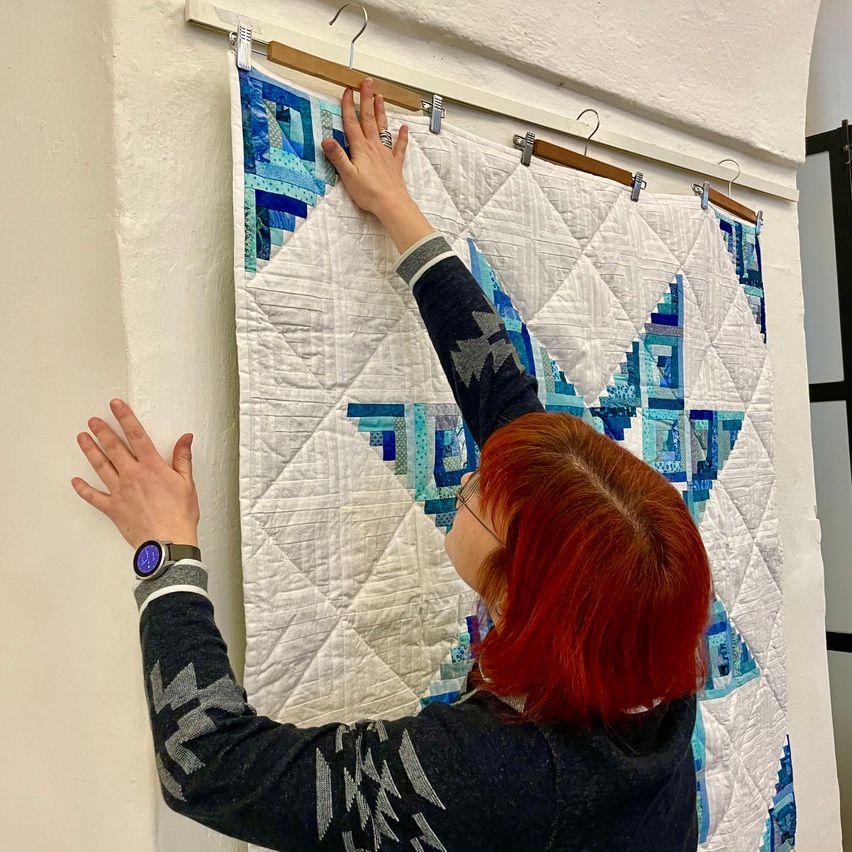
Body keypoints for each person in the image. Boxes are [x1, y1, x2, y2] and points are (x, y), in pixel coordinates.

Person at [127, 78, 711, 850]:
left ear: (524, 591)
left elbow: (209, 766)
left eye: (479, 502)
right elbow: (504, 397)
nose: (466, 479)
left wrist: (164, 550)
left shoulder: (492, 774)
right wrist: (397, 209)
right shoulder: (641, 656)